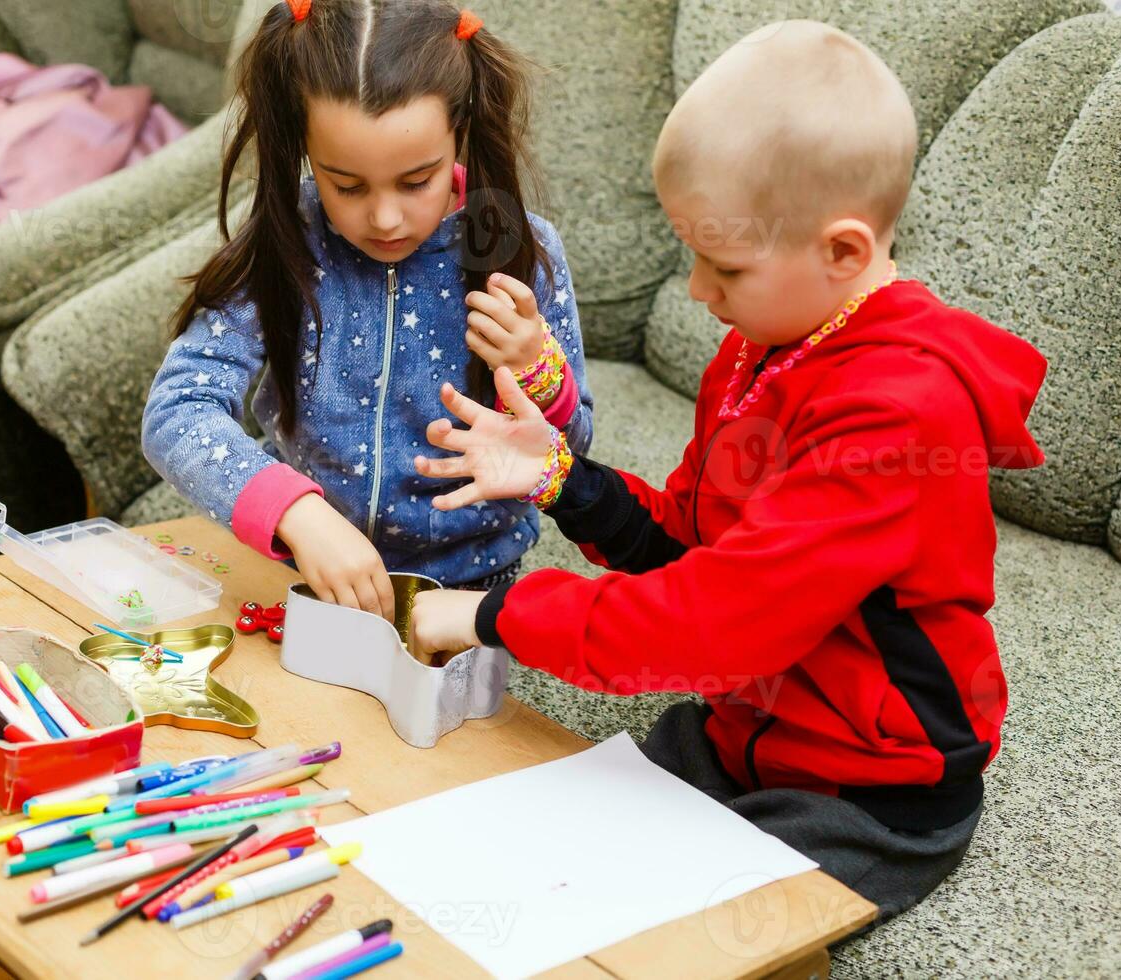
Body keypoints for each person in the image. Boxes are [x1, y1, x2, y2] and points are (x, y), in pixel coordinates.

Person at [406, 20, 1048, 923]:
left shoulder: (899, 415)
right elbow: (691, 545)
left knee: (663, 931)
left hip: (866, 788)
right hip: (743, 731)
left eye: (725, 266)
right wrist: (562, 478)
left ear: (845, 253)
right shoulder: (763, 349)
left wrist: (492, 614)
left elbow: (719, 621)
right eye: (691, 258)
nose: (699, 292)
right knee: (520, 844)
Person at [142, 0, 593, 623]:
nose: (384, 219)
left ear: (458, 130)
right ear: (303, 147)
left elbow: (574, 452)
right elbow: (177, 410)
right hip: (301, 572)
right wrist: (298, 515)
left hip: (470, 593)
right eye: (346, 185)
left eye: (417, 181)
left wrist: (538, 371)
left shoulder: (524, 254)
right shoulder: (289, 241)